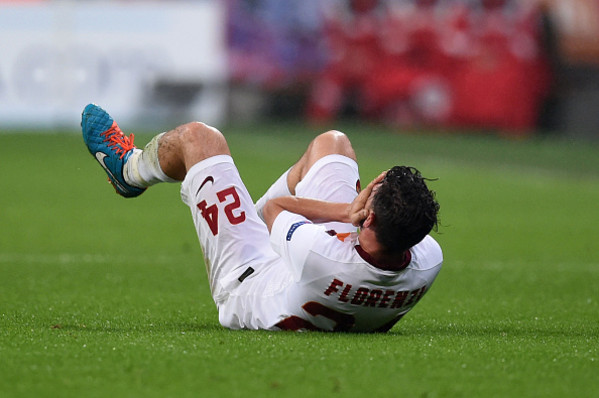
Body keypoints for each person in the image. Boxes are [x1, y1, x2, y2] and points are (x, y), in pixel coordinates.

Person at [81, 103, 443, 332]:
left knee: (199, 138)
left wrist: (345, 211)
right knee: (333, 143)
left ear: (370, 219)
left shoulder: (320, 253)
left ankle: (129, 171)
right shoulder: (427, 260)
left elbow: (276, 210)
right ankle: (231, 214)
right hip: (312, 274)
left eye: (369, 200)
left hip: (248, 275)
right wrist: (361, 215)